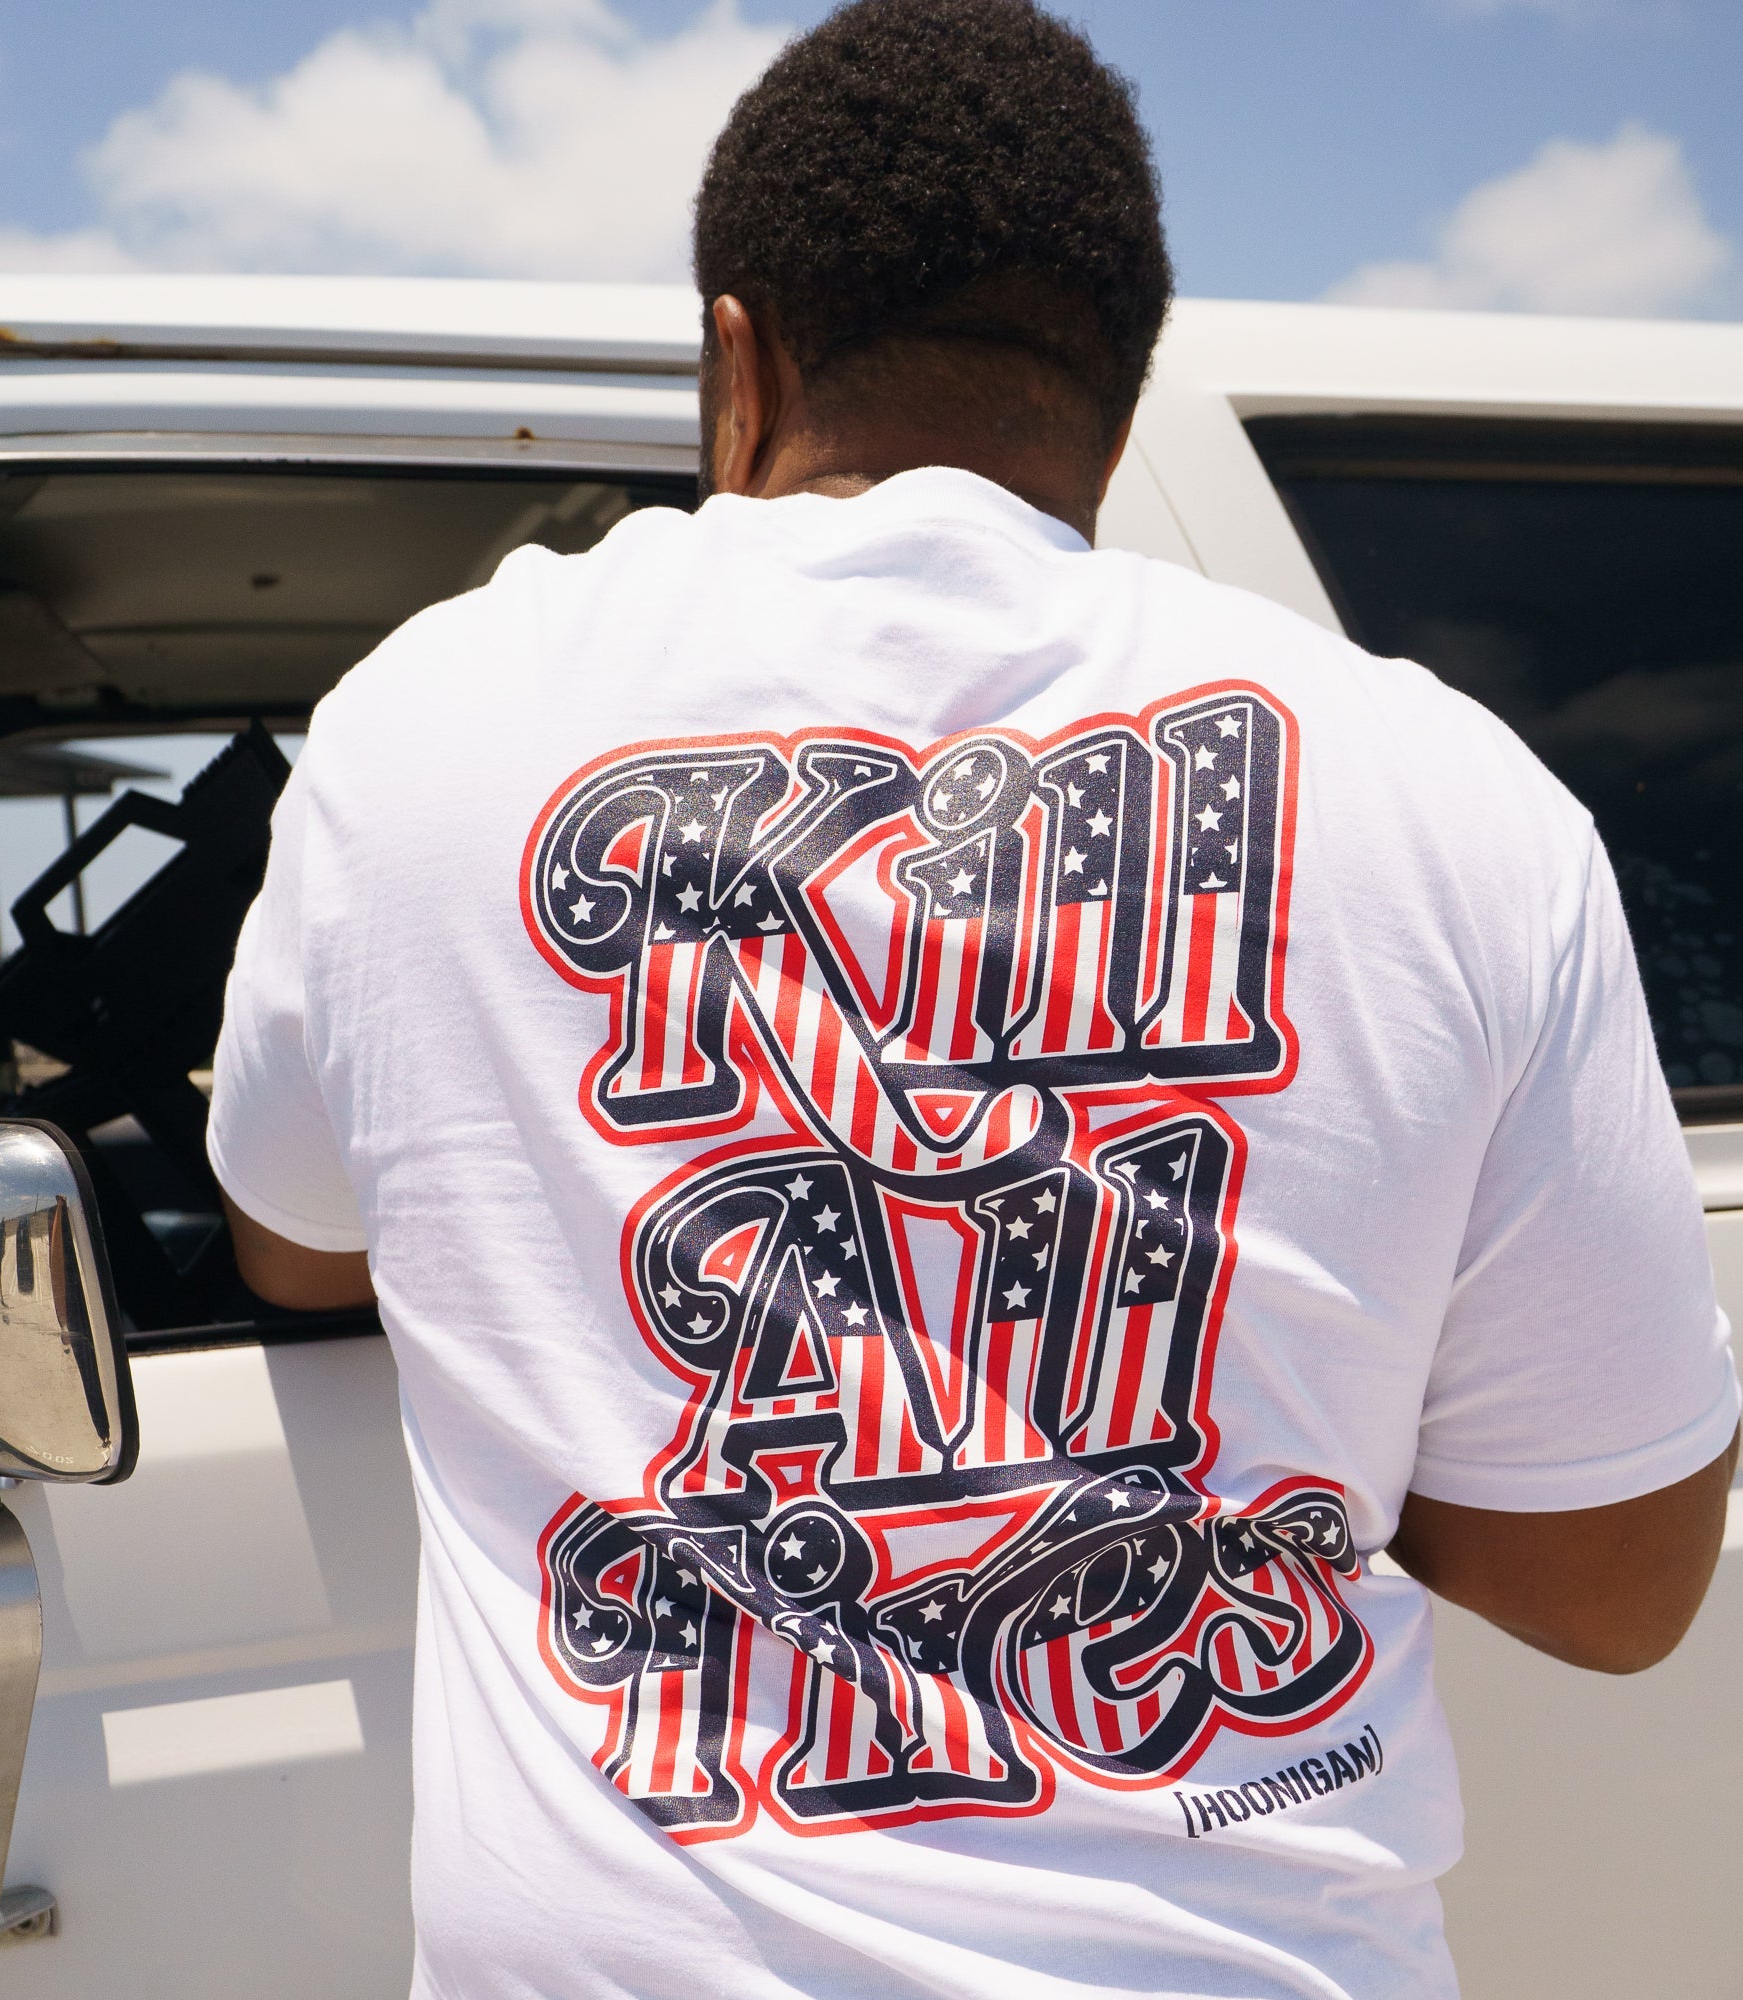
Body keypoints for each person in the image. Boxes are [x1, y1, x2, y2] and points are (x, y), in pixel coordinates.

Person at [206, 2, 1740, 1993]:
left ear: (736, 364)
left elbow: (293, 1234)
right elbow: (1613, 1583)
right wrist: (1230, 1436)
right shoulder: (1457, 798)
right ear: (1114, 405)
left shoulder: (419, 728)